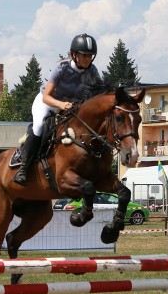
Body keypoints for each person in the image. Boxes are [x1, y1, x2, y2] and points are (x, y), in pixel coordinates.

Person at [13, 33, 104, 186]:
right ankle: (23, 168)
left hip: (70, 107)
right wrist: (61, 105)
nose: (88, 59)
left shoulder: (92, 71)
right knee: (39, 126)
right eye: (85, 55)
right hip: (48, 103)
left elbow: (99, 93)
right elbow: (46, 96)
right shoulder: (62, 68)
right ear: (74, 54)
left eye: (91, 55)